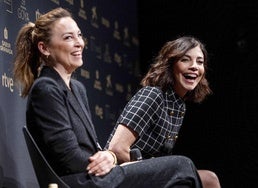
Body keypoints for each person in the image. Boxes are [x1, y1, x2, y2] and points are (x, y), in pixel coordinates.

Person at [13, 7, 203, 188]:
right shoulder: (45, 89)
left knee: (182, 174)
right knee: (182, 166)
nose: (79, 42)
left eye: (79, 35)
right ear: (44, 48)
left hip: (95, 176)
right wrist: (111, 163)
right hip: (81, 181)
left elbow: (92, 150)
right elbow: (69, 159)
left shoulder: (77, 88)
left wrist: (110, 159)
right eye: (68, 37)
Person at [105, 36, 221, 188]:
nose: (194, 66)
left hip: (148, 176)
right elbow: (117, 148)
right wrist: (152, 174)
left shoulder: (179, 106)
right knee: (206, 179)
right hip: (120, 176)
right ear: (171, 64)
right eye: (185, 60)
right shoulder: (153, 95)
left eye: (200, 62)